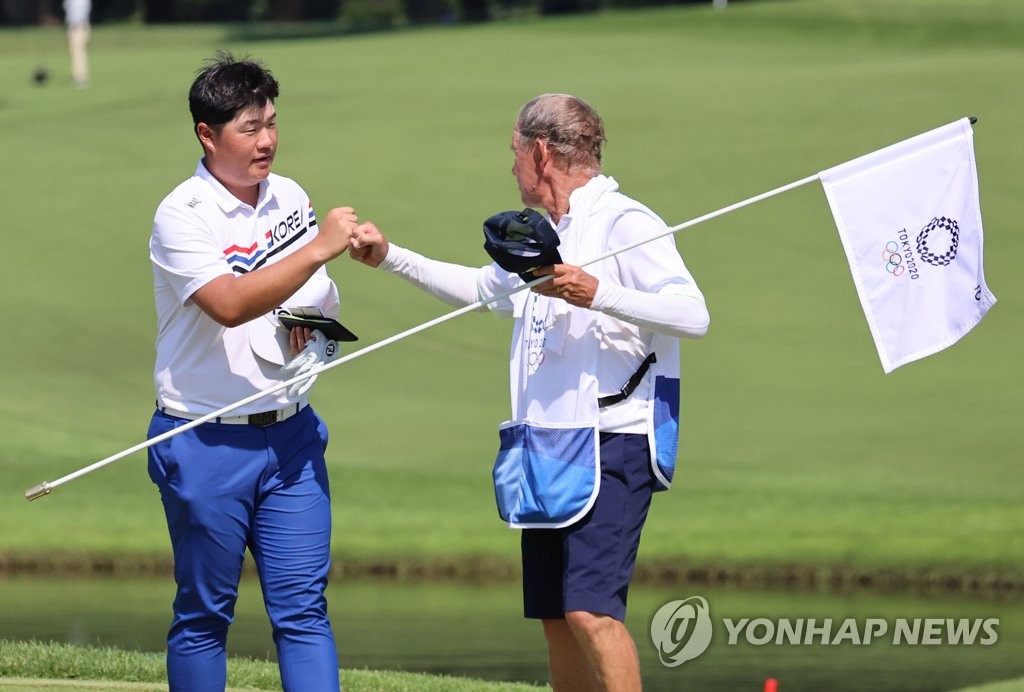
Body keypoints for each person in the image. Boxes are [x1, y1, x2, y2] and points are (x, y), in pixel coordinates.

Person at [348, 93, 710, 691]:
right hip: (546, 446)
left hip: (611, 441)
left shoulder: (626, 222)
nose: (511, 165)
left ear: (540, 152)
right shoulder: (543, 232)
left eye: (514, 152)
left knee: (591, 612)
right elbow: (482, 290)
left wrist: (599, 292)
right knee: (556, 617)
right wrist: (390, 258)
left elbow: (693, 315)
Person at [147, 52, 357, 692]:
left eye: (271, 122)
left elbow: (307, 290)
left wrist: (312, 320)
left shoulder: (289, 195)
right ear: (207, 135)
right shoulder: (180, 214)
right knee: (205, 614)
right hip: (204, 436)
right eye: (248, 127)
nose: (266, 140)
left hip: (291, 436)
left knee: (303, 611)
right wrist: (323, 245)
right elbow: (230, 304)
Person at [63, 0, 90, 88]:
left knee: (78, 52)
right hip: (73, 27)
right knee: (73, 52)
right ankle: (77, 75)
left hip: (78, 27)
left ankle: (80, 77)